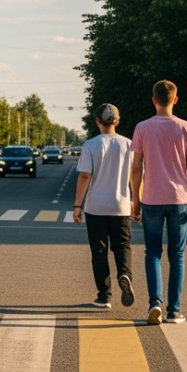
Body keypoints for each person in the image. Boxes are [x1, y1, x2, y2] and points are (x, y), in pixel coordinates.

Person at [129, 80, 187, 326]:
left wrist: (136, 200)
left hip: (152, 199)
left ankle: (155, 303)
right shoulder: (186, 128)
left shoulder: (142, 128)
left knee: (152, 252)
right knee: (177, 255)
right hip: (179, 200)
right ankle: (174, 311)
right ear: (175, 99)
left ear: (153, 100)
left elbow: (136, 168)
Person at [72, 103, 135, 310]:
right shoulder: (128, 144)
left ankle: (104, 296)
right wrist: (136, 200)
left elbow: (85, 175)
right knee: (123, 247)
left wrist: (77, 205)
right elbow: (136, 175)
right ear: (117, 121)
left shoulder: (91, 145)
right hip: (121, 206)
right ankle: (125, 274)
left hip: (96, 207)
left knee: (99, 251)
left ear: (97, 121)